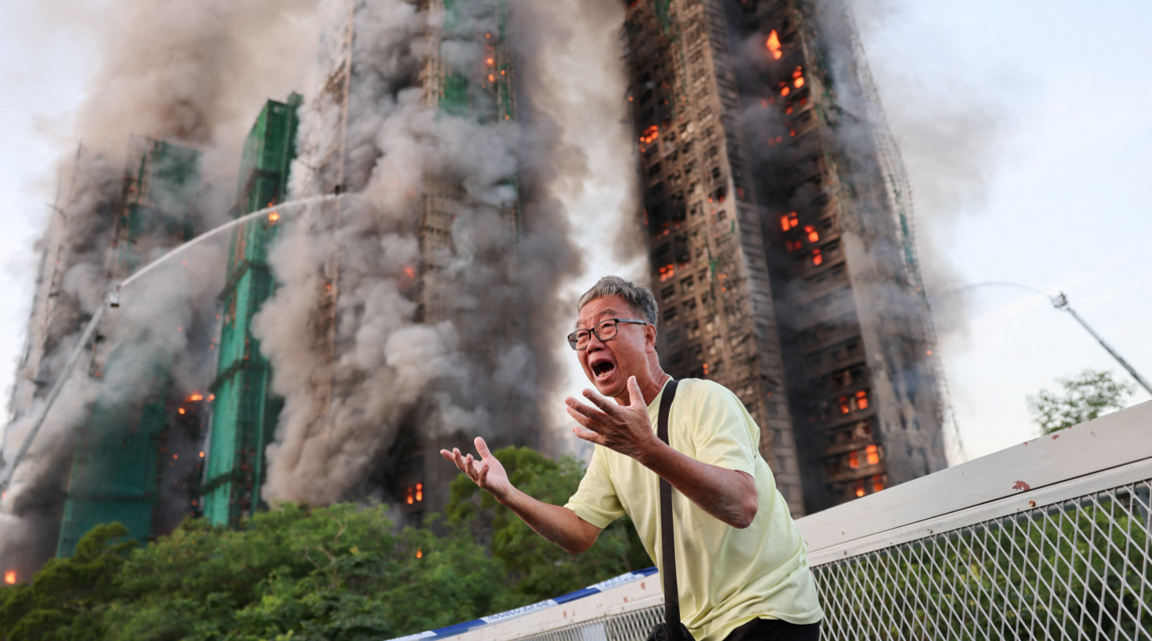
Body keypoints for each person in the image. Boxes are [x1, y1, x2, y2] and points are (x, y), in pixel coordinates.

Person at [441, 276, 823, 641]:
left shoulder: (704, 399)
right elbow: (578, 532)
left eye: (607, 327)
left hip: (768, 612)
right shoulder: (613, 441)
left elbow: (741, 505)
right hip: (696, 629)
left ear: (648, 335)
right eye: (582, 335)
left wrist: (646, 447)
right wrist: (508, 494)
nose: (591, 343)